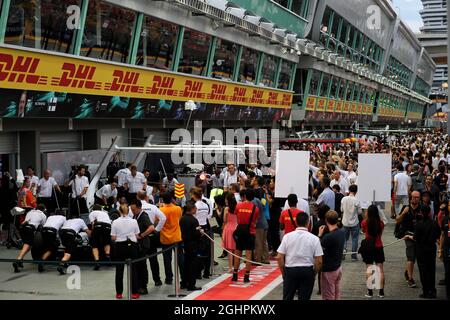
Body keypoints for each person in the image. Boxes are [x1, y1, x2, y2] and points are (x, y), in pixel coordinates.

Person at [277, 212, 323, 300]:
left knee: (287, 297)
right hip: (307, 270)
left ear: (296, 222)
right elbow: (319, 261)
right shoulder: (314, 238)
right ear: (308, 222)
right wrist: (314, 273)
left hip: (290, 270)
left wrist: (284, 273)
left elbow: (279, 257)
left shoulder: (287, 237)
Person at [405, 205, 440, 299]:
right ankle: (432, 291)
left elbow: (415, 238)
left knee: (423, 271)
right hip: (431, 249)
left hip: (421, 250)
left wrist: (408, 236)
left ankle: (425, 291)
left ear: (420, 212)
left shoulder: (418, 224)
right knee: (431, 270)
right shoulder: (434, 223)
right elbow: (438, 235)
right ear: (429, 213)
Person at [110, 204, 140, 299]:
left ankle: (119, 293)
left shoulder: (115, 222)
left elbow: (113, 237)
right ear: (128, 211)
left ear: (119, 211)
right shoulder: (134, 221)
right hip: (132, 246)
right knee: (134, 270)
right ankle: (134, 292)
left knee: (119, 270)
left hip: (119, 246)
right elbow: (137, 234)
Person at [137, 190, 166, 287]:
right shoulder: (153, 207)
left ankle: (143, 283)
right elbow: (163, 218)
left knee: (142, 261)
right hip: (151, 235)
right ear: (146, 197)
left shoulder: (133, 207)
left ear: (137, 197)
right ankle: (157, 280)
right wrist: (156, 229)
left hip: (140, 236)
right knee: (153, 259)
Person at [396, 190, 423, 288]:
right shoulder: (405, 207)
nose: (415, 199)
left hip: (419, 236)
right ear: (410, 197)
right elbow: (397, 221)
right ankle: (410, 278)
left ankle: (408, 271)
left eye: (417, 197)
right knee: (411, 256)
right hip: (408, 235)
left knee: (415, 256)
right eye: (414, 197)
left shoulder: (422, 208)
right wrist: (403, 213)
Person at [232, 188, 260, 283]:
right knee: (248, 254)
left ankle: (235, 275)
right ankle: (246, 276)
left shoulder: (238, 206)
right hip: (250, 232)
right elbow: (255, 221)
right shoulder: (255, 209)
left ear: (244, 196)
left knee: (238, 253)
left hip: (240, 231)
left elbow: (236, 215)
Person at [129, 199, 155, 295]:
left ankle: (144, 286)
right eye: (131, 209)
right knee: (139, 266)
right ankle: (139, 285)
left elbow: (151, 227)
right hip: (138, 244)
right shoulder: (136, 216)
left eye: (134, 209)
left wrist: (142, 235)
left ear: (139, 208)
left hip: (143, 244)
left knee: (142, 266)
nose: (132, 211)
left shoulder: (143, 216)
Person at [318, 210, 345, 300]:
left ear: (326, 220)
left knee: (328, 296)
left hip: (329, 269)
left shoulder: (328, 237)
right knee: (336, 293)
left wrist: (320, 235)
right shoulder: (341, 233)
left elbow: (318, 249)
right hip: (338, 267)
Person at [12, 205, 47, 273]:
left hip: (22, 228)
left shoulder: (30, 212)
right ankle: (18, 260)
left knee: (28, 246)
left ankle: (20, 260)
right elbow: (43, 226)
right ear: (43, 210)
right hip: (30, 229)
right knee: (27, 245)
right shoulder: (43, 215)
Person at [159, 192, 184, 286]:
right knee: (180, 258)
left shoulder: (161, 210)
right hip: (177, 237)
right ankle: (183, 276)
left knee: (167, 259)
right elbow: (179, 218)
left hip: (165, 238)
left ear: (162, 200)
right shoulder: (178, 208)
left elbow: (158, 222)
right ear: (172, 199)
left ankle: (169, 278)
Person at [361, 205, 386, 298]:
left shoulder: (364, 222)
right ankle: (381, 292)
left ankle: (370, 291)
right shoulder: (381, 223)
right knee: (380, 269)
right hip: (379, 246)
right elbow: (380, 233)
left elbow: (363, 231)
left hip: (368, 247)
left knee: (369, 268)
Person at [180, 200, 203, 291]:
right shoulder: (194, 220)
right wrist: (201, 233)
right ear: (192, 209)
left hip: (185, 244)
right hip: (193, 244)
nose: (196, 210)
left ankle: (184, 283)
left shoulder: (182, 218)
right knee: (192, 265)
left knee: (186, 264)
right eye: (195, 208)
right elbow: (197, 233)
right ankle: (191, 285)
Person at [191, 187, 213, 279]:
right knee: (207, 251)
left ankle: (198, 273)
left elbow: (193, 217)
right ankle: (207, 272)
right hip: (206, 228)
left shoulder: (195, 206)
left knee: (198, 252)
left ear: (194, 195)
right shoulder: (205, 205)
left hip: (197, 228)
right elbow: (208, 216)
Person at [341, 184, 361, 261]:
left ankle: (343, 253)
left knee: (345, 239)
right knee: (355, 239)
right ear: (356, 191)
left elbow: (341, 210)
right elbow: (359, 212)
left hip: (345, 222)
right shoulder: (356, 200)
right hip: (354, 222)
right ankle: (353, 256)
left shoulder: (343, 199)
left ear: (349, 190)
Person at [88, 204, 112, 270]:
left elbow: (93, 225)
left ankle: (97, 262)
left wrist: (92, 233)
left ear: (93, 209)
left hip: (98, 225)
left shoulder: (92, 213)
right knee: (107, 242)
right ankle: (107, 255)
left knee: (94, 244)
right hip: (108, 226)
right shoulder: (105, 213)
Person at [222, 192, 238, 273]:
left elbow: (224, 220)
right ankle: (236, 267)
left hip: (228, 228)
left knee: (230, 250)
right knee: (236, 250)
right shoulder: (237, 207)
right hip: (236, 227)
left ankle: (230, 267)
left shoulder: (226, 209)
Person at [439, 206, 450, 299]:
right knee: (447, 270)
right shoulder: (445, 219)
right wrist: (440, 249)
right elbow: (442, 235)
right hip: (447, 249)